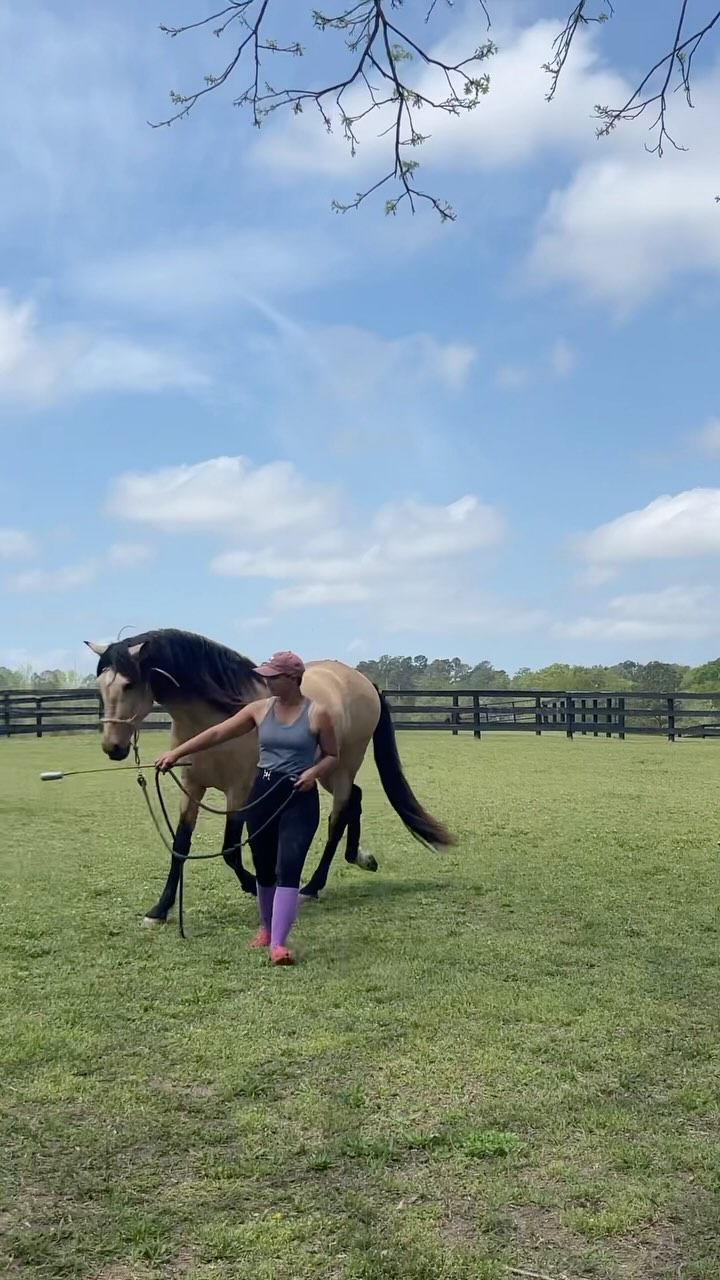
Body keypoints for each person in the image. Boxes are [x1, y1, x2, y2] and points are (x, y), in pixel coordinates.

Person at [155, 651, 338, 965]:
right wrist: (176, 753)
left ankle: (278, 944)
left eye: (273, 677)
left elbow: (332, 755)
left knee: (289, 867)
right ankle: (266, 928)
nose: (266, 682)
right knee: (264, 869)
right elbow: (217, 733)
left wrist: (314, 773)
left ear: (293, 678)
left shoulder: (318, 713)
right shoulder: (258, 710)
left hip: (299, 795)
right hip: (263, 790)